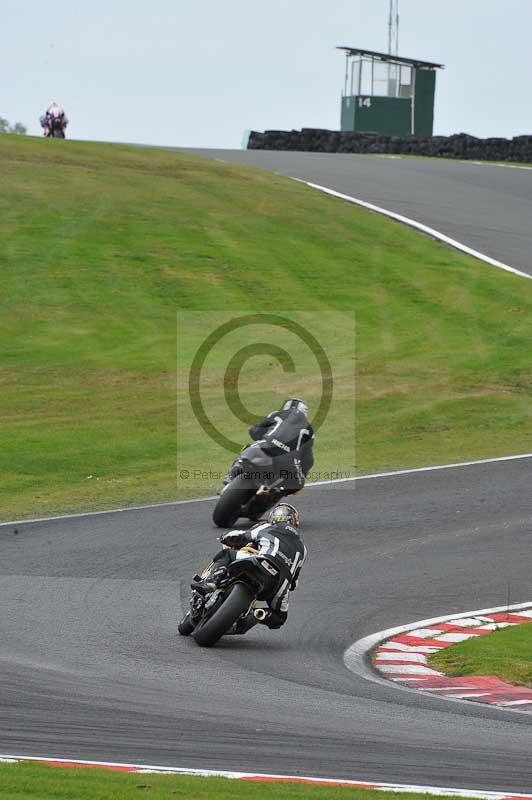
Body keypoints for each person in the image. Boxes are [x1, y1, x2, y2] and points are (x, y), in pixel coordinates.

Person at [193, 502, 306, 634]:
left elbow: (243, 536)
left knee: (227, 554)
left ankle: (211, 581)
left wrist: (225, 537)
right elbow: (294, 582)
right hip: (280, 583)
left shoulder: (268, 526)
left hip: (263, 561)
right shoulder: (303, 549)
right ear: (295, 521)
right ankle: (256, 614)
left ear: (273, 517)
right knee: (279, 618)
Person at [223, 397, 314, 487]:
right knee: (298, 485)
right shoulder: (309, 430)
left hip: (265, 448)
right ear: (305, 411)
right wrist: (303, 473)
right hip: (288, 462)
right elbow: (308, 460)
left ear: (285, 407)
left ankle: (231, 475)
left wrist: (266, 435)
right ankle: (275, 492)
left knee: (248, 448)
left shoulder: (276, 414)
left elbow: (254, 431)